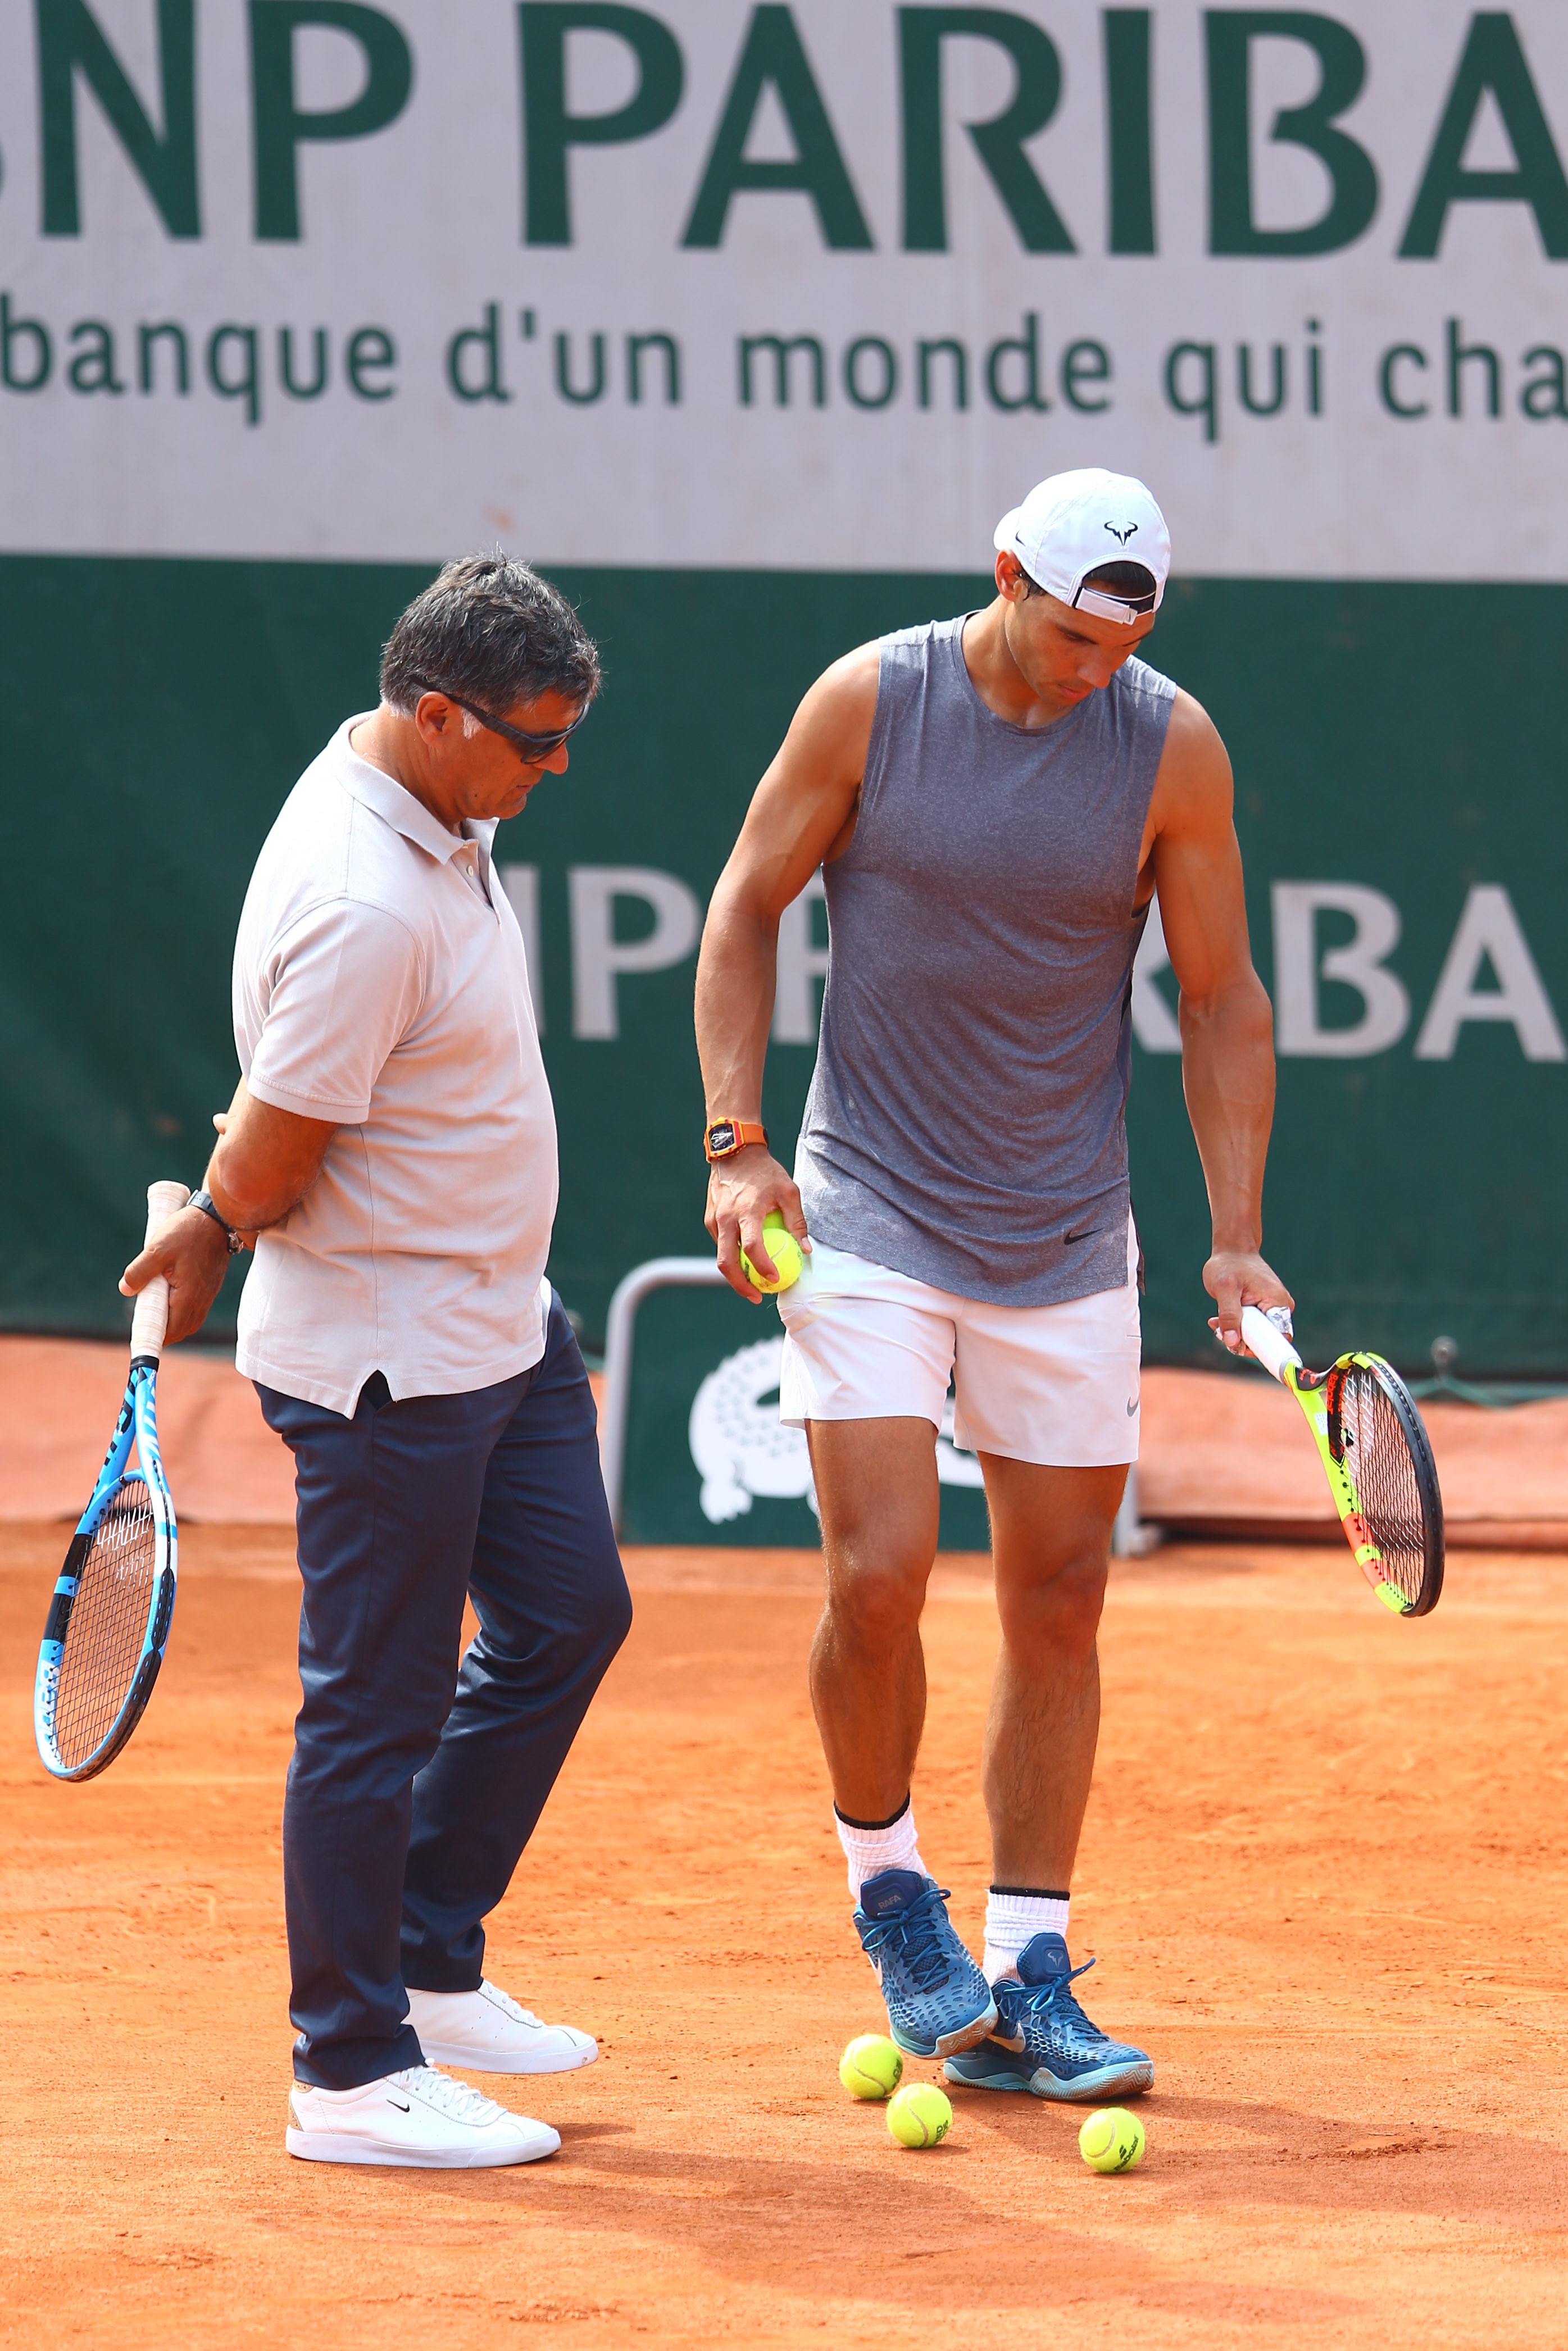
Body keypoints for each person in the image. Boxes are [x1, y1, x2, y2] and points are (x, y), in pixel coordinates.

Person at [694, 469, 1291, 2103]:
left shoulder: (1170, 743)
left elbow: (1225, 998)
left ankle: (1030, 1967)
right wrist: (738, 1145)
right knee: (880, 1576)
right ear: (1008, 570)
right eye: (1069, 628)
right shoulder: (871, 703)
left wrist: (1234, 1227)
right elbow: (744, 905)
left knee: (1061, 1598)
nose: (1093, 664)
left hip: (1067, 1231)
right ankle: (891, 1892)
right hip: (870, 1205)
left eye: (1124, 639)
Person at [121, 554, 633, 2168]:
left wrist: (214, 1212)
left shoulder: (434, 802)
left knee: (569, 1614)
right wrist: (214, 1215)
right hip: (389, 1363)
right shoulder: (364, 895)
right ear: (436, 714)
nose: (555, 773)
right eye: (536, 743)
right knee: (374, 1712)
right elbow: (274, 1159)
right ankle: (346, 2068)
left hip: (501, 1323)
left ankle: (427, 1948)